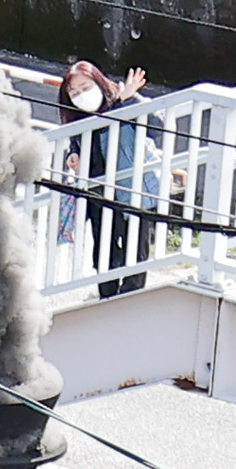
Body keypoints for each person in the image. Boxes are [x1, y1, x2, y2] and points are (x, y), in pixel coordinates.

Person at [58, 62, 154, 297]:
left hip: (130, 189)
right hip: (98, 193)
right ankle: (107, 296)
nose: (81, 94)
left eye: (85, 86)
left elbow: (157, 127)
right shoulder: (77, 119)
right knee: (104, 250)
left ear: (98, 82)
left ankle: (131, 297)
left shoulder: (122, 98)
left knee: (135, 248)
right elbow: (75, 145)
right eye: (74, 92)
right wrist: (73, 155)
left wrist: (127, 101)